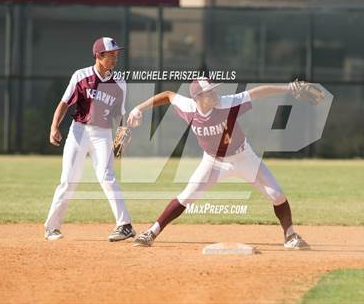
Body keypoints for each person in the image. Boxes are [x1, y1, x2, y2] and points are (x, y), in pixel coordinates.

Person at [128, 77, 310, 249]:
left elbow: (256, 93)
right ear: (198, 97)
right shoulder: (189, 107)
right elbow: (168, 95)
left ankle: (290, 235)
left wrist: (287, 88)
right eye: (210, 92)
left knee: (277, 195)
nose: (215, 94)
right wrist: (139, 108)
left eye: (215, 90)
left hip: (243, 157)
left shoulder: (227, 103)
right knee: (187, 196)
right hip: (213, 161)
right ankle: (151, 232)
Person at [44, 37, 135, 242]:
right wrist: (54, 126)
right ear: (98, 56)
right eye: (111, 55)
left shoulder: (119, 82)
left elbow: (120, 115)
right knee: (68, 180)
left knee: (107, 176)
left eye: (116, 55)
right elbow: (64, 103)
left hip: (103, 134)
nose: (115, 58)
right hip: (79, 132)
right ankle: (52, 227)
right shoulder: (81, 76)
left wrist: (121, 139)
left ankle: (125, 225)